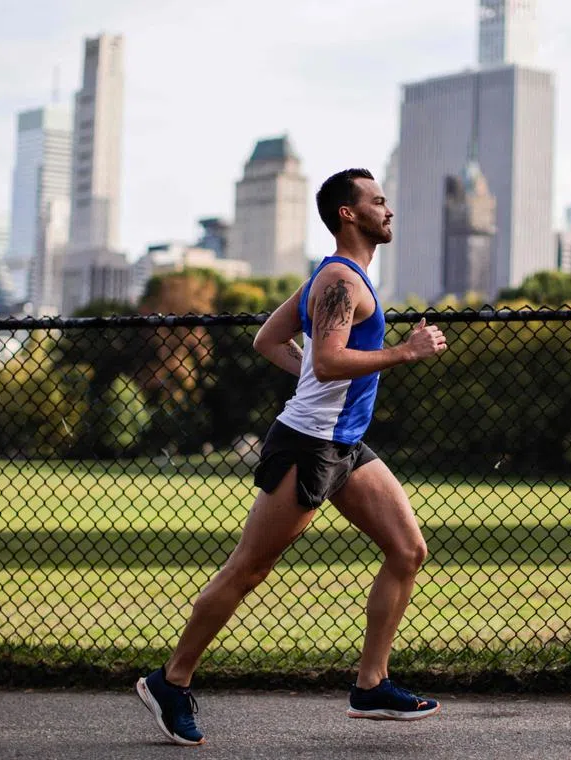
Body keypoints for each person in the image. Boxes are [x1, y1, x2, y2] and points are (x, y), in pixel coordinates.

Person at [136, 168, 448, 745]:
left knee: (407, 550)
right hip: (309, 445)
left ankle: (371, 684)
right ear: (348, 214)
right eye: (378, 201)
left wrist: (313, 371)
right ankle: (170, 681)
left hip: (346, 445)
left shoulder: (338, 279)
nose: (389, 210)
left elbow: (268, 341)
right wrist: (404, 352)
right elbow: (327, 362)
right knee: (250, 568)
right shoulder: (339, 280)